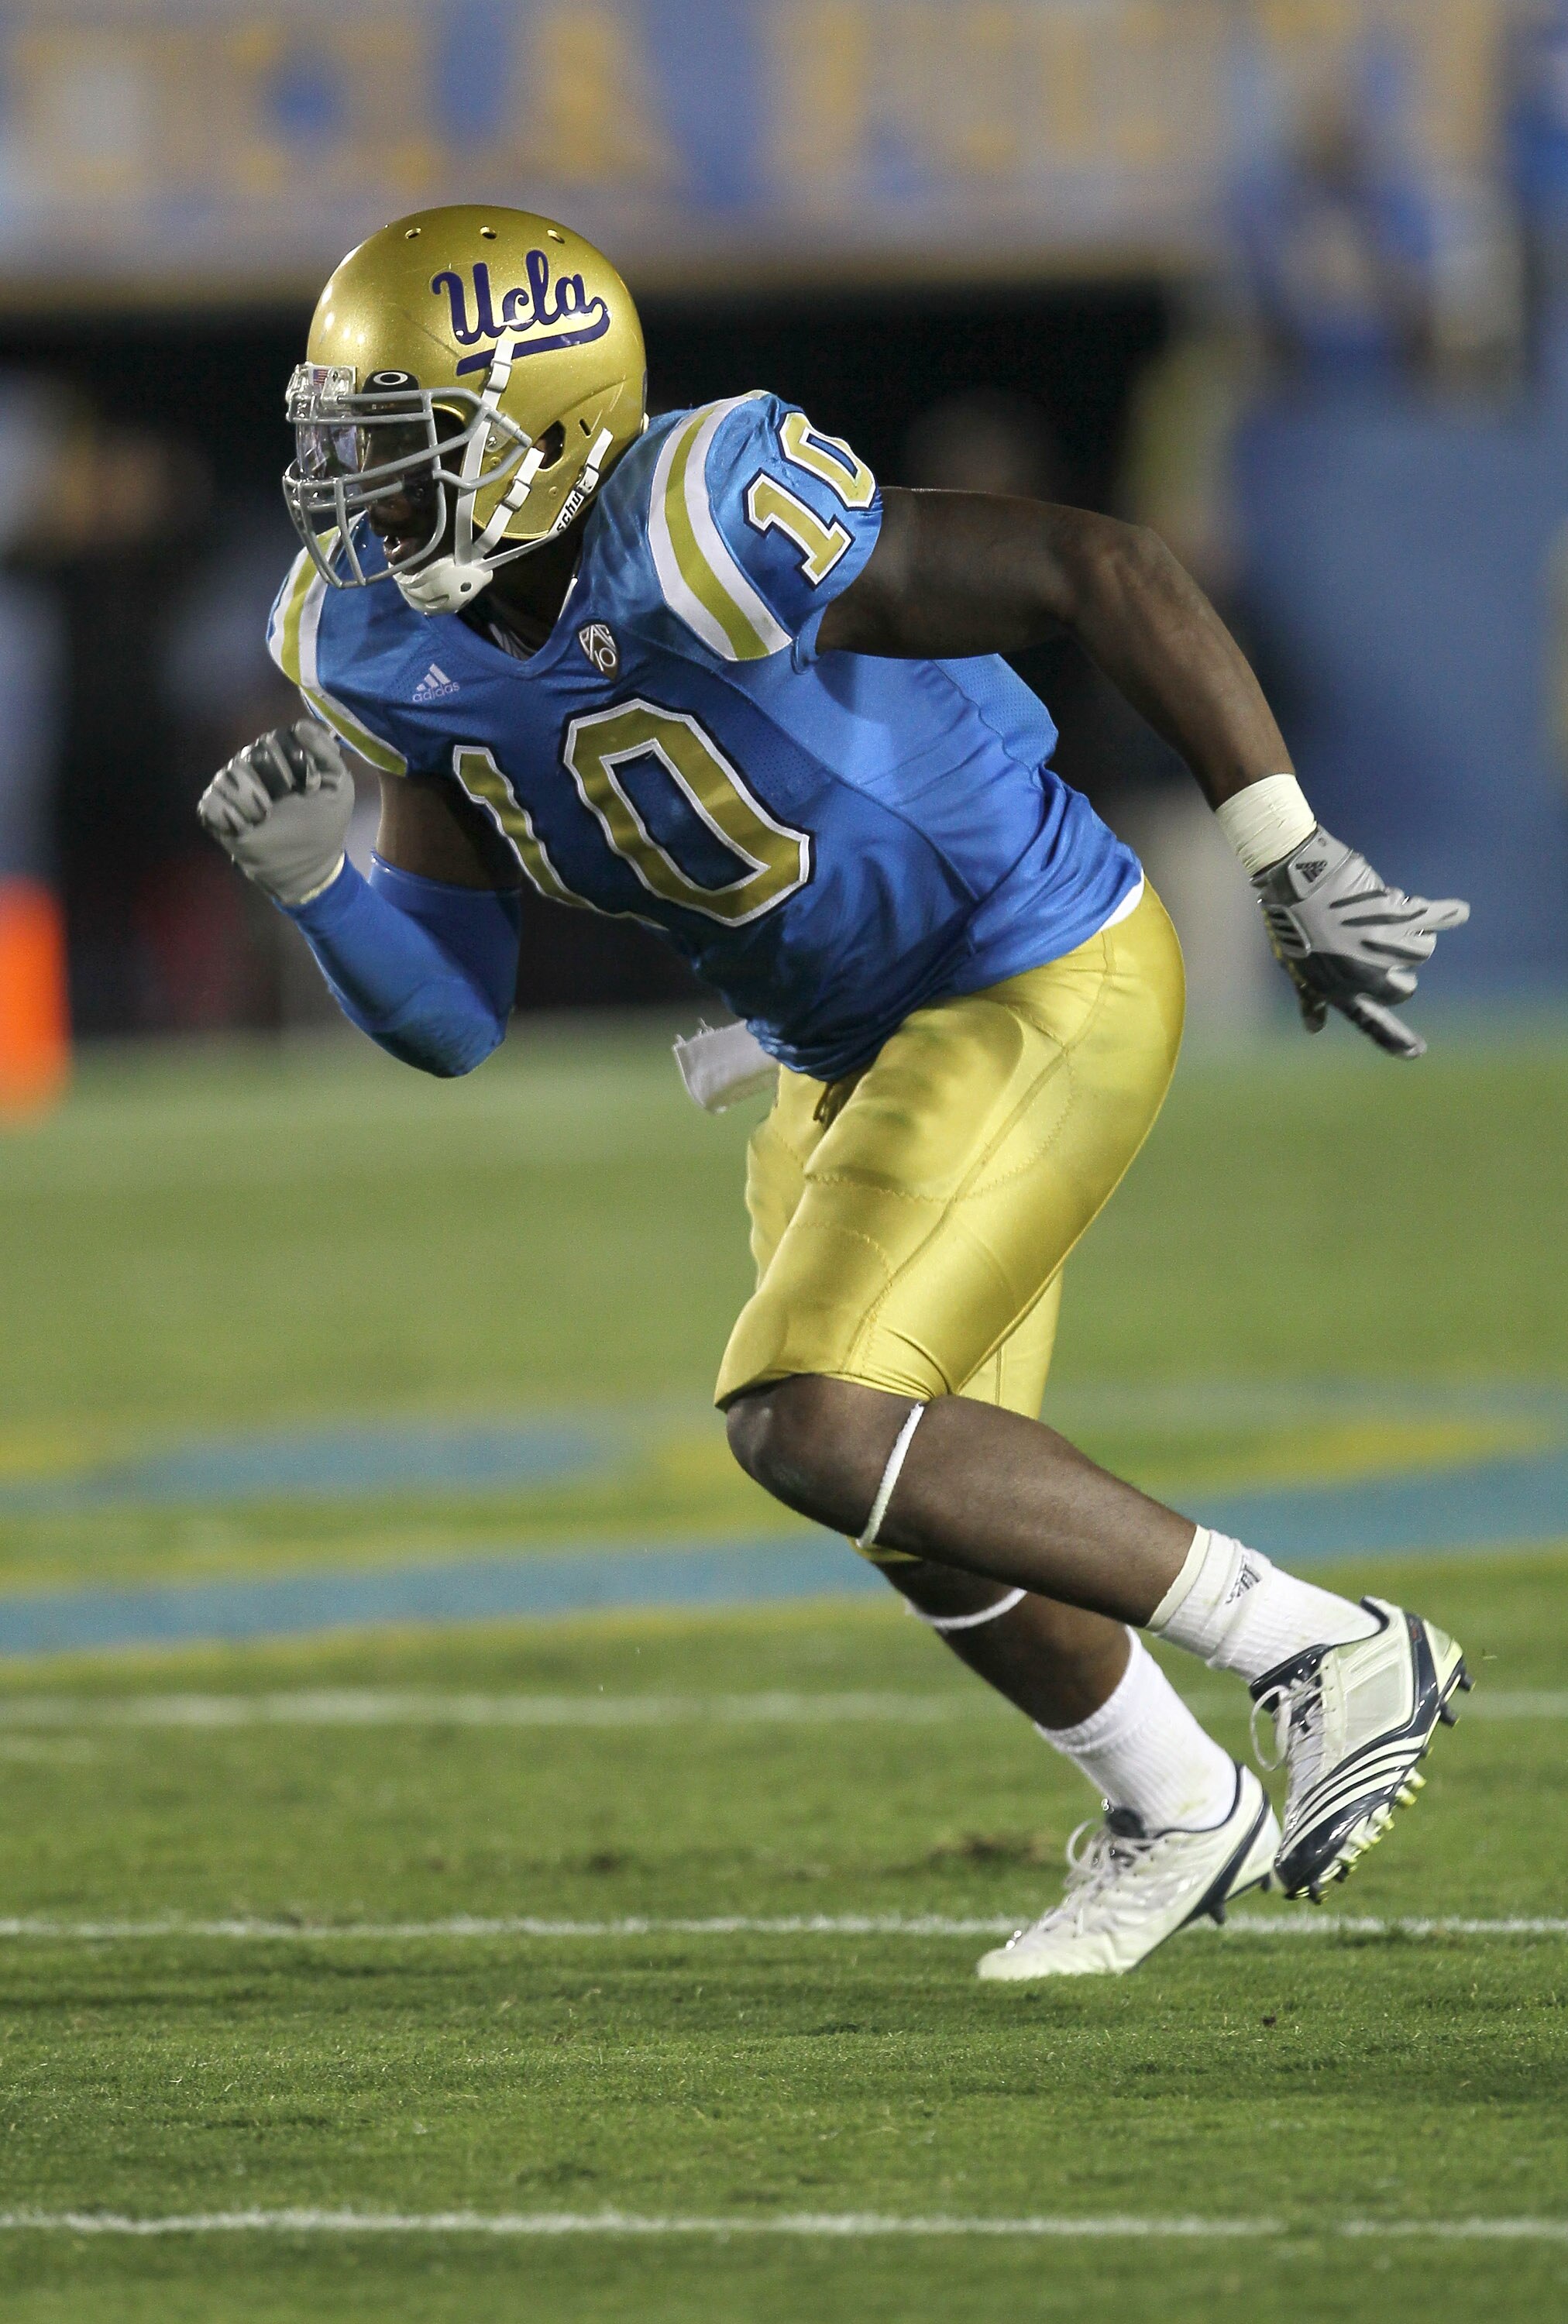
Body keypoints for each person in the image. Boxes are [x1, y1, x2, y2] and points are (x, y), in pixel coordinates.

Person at [199, 207, 1471, 1981]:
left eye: (404, 453)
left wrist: (1280, 846)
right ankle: (1175, 1804)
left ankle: (1322, 1647)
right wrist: (324, 890)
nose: (358, 504)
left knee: (807, 1413)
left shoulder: (706, 516)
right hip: (837, 1040)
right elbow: (452, 1022)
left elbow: (1099, 569)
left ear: (546, 434)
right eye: (343, 454)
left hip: (1028, 967)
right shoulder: (370, 646)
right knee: (903, 1485)